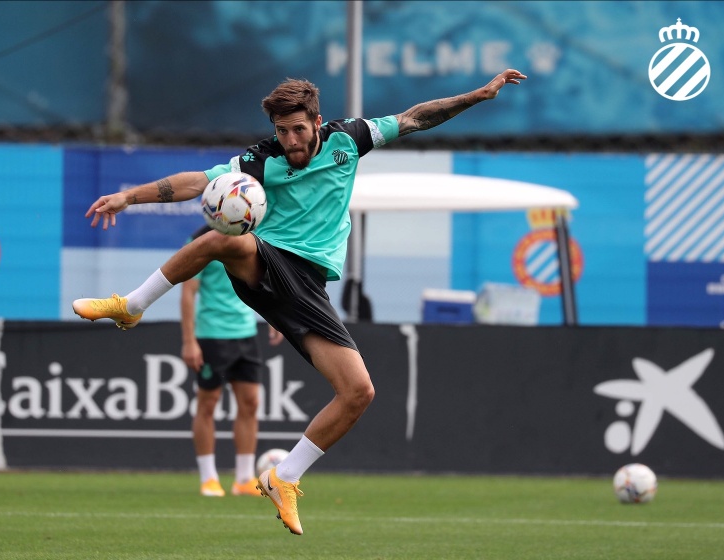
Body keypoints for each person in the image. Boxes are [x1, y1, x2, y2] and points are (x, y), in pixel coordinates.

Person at [73, 69, 527, 535]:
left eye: (297, 129)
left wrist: (478, 95)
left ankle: (284, 476)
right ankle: (131, 305)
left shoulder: (350, 138)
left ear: (317, 122)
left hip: (308, 289)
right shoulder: (260, 159)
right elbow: (196, 183)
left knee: (358, 392)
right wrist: (129, 197)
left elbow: (414, 118)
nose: (290, 139)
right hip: (269, 261)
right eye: (281, 130)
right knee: (222, 238)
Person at [181, 224, 283, 498]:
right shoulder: (199, 240)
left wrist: (275, 317)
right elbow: (188, 292)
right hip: (212, 334)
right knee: (208, 403)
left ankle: (244, 479)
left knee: (250, 403)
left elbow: (262, 283)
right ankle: (209, 478)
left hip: (246, 334)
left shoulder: (250, 238)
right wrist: (189, 341)